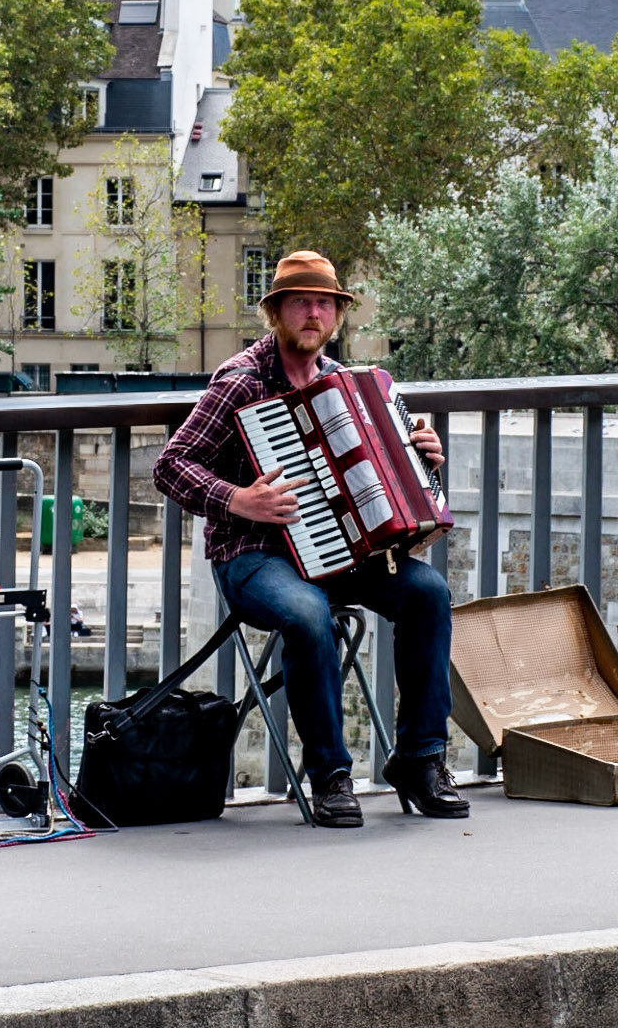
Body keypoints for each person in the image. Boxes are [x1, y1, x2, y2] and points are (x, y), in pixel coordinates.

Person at [153, 249, 468, 829]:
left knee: (428, 594)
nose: (313, 313)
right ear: (276, 312)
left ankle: (420, 760)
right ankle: (330, 775)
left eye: (324, 303)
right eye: (301, 302)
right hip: (253, 555)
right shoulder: (240, 383)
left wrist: (426, 464)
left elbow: (390, 485)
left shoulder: (347, 387)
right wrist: (238, 498)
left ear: (336, 316)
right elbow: (172, 466)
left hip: (342, 553)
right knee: (307, 614)